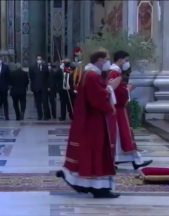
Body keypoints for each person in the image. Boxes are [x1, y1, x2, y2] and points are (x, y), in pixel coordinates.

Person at [56, 49, 122, 198]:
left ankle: (92, 186)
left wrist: (108, 88)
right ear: (99, 60)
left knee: (93, 154)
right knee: (95, 154)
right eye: (106, 59)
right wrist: (111, 88)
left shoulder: (91, 74)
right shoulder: (91, 75)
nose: (108, 62)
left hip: (94, 121)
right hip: (93, 122)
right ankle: (98, 188)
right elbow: (96, 99)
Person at [108, 50, 153, 169]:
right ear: (120, 60)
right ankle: (131, 161)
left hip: (119, 108)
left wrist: (125, 88)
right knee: (122, 135)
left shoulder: (115, 72)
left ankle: (134, 160)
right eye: (126, 60)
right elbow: (116, 91)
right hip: (118, 108)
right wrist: (128, 89)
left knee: (123, 135)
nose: (126, 63)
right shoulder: (114, 72)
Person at [29, 55, 50, 120]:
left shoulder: (45, 67)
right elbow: (31, 78)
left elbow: (48, 77)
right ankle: (39, 115)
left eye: (40, 59)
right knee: (38, 103)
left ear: (42, 60)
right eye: (38, 59)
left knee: (45, 102)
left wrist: (48, 86)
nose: (39, 60)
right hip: (36, 87)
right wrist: (32, 87)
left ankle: (46, 115)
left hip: (44, 87)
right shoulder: (32, 67)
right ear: (36, 60)